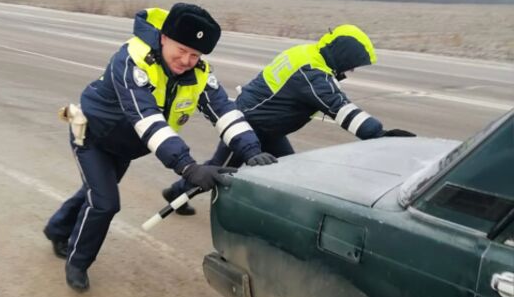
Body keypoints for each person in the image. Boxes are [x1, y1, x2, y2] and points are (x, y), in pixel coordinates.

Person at [44, 3, 276, 292]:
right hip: (92, 137)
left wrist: (251, 149)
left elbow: (224, 110)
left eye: (195, 54)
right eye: (181, 49)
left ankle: (56, 228)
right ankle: (78, 263)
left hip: (126, 146)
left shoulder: (199, 73)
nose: (186, 60)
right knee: (105, 202)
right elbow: (147, 118)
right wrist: (188, 167)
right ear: (164, 37)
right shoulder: (131, 60)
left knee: (93, 192)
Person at [164, 24, 415, 215]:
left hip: (268, 127)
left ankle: (276, 214)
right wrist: (379, 135)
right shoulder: (313, 73)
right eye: (351, 66)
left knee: (286, 168)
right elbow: (341, 108)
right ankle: (178, 195)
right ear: (344, 55)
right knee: (218, 171)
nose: (350, 72)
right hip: (247, 126)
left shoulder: (307, 54)